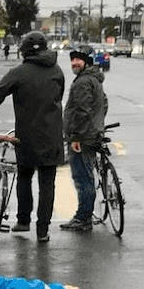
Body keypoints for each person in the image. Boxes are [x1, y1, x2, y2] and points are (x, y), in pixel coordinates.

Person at [0, 31, 65, 242]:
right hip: (52, 136)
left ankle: (23, 221)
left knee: (24, 175)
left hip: (27, 136)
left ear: (24, 51)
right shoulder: (57, 71)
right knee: (48, 183)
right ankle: (43, 231)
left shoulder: (19, 73)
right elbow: (59, 98)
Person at [61, 45, 108, 232]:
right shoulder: (95, 79)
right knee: (87, 176)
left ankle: (83, 218)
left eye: (78, 59)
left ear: (87, 61)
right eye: (72, 59)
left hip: (83, 137)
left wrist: (77, 137)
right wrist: (99, 124)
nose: (74, 62)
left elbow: (81, 111)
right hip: (93, 133)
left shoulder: (82, 82)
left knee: (82, 178)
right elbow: (104, 103)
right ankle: (84, 215)